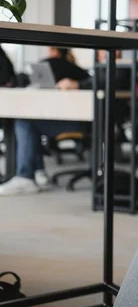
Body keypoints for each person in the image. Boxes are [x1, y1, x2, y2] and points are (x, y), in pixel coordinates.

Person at [0, 47, 90, 196]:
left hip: (80, 120)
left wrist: (76, 86)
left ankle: (27, 175)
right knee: (29, 121)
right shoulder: (79, 70)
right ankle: (37, 170)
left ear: (55, 52)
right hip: (75, 116)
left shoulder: (56, 64)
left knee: (25, 121)